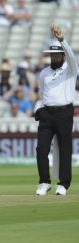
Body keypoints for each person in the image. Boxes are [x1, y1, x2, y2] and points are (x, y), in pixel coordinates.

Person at [34, 25, 78, 196]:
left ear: (62, 55)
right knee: (41, 149)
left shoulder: (70, 69)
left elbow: (72, 57)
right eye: (52, 55)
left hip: (64, 113)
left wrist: (62, 40)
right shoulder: (44, 73)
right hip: (47, 114)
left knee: (65, 148)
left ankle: (64, 184)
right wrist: (38, 108)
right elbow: (41, 94)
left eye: (57, 54)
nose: (54, 57)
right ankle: (44, 182)